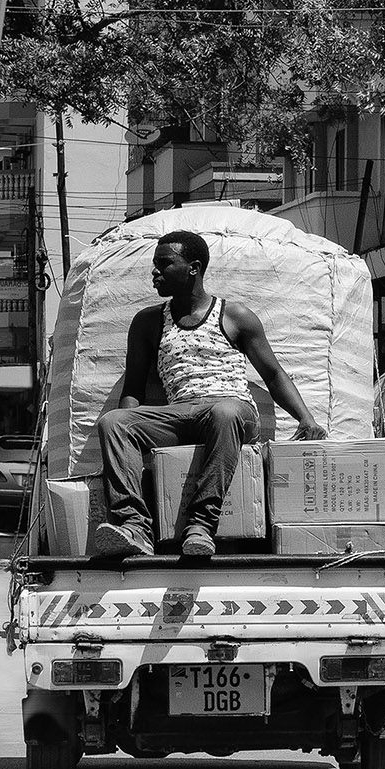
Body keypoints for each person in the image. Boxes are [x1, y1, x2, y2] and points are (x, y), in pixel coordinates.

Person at [89, 231, 323, 560]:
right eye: (154, 265)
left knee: (224, 413)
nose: (154, 273)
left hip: (232, 412)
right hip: (179, 416)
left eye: (164, 264)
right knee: (113, 422)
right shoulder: (147, 322)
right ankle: (134, 528)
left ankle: (200, 526)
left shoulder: (234, 315)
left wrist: (306, 418)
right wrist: (127, 444)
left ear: (193, 268)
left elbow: (273, 373)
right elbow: (133, 391)